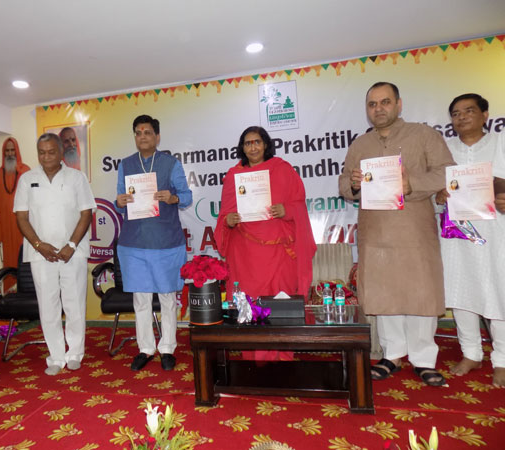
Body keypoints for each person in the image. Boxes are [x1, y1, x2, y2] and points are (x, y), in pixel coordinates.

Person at [338, 82, 455, 386]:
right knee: (384, 291)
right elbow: (344, 185)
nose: (378, 109)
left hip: (414, 227)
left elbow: (446, 172)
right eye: (372, 104)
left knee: (420, 291)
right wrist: (354, 184)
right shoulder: (360, 145)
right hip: (375, 230)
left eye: (385, 102)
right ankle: (392, 355)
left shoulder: (423, 134)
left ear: (399, 104)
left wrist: (411, 184)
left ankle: (423, 359)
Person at [435, 93, 505, 388]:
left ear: (485, 114)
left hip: (495, 230)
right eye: (455, 113)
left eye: (468, 111)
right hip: (457, 231)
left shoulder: (500, 142)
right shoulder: (445, 149)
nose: (461, 117)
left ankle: (502, 359)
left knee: (498, 290)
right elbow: (435, 190)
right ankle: (471, 353)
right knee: (460, 288)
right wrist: (439, 195)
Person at [115, 115, 192, 372]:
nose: (143, 137)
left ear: (157, 137)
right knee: (141, 299)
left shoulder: (171, 164)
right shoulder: (126, 164)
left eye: (147, 132)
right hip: (134, 242)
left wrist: (172, 197)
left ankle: (167, 348)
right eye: (138, 133)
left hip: (165, 242)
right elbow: (119, 201)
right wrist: (119, 202)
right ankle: (146, 348)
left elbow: (186, 196)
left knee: (167, 297)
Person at [14, 133, 95, 375]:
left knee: (74, 304)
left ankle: (75, 353)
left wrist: (72, 244)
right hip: (41, 254)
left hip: (73, 252)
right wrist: (38, 245)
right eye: (42, 152)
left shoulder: (77, 177)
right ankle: (56, 357)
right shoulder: (27, 179)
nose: (46, 156)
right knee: (48, 306)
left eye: (51, 152)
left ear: (61, 152)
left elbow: (86, 213)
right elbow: (21, 217)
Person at [215, 126, 317, 298]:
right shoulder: (234, 176)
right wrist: (228, 221)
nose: (253, 147)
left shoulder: (282, 169)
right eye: (248, 143)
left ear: (265, 145)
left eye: (257, 142)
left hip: (278, 250)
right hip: (245, 252)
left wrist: (287, 210)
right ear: (242, 148)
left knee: (280, 300)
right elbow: (225, 215)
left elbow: (299, 204)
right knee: (248, 302)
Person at [0, 137, 30, 269]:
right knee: (9, 261)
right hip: (6, 227)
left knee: (24, 260)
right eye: (7, 151)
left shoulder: (25, 171)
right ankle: (10, 284)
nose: (10, 154)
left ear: (17, 151)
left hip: (23, 225)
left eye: (12, 150)